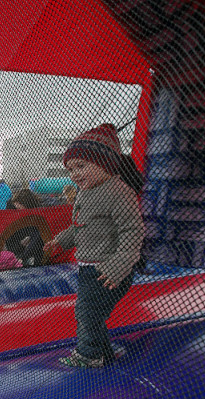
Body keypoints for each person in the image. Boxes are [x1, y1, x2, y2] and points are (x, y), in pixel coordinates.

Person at [43, 123, 145, 368]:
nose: (75, 174)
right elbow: (80, 227)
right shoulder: (85, 193)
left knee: (87, 312)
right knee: (93, 314)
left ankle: (88, 355)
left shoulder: (118, 191)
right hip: (89, 268)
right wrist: (60, 241)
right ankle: (103, 353)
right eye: (70, 169)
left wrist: (118, 265)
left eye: (81, 166)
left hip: (108, 269)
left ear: (106, 163)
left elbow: (133, 230)